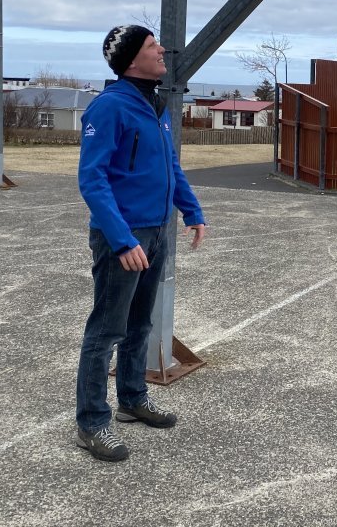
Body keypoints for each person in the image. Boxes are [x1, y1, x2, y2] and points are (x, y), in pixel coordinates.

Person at [74, 25, 207, 462]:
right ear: (132, 59)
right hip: (123, 238)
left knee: (141, 325)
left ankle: (132, 399)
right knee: (106, 330)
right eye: (153, 46)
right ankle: (92, 423)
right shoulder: (109, 108)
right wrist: (121, 239)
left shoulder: (157, 106)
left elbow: (171, 164)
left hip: (156, 230)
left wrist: (192, 211)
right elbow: (92, 180)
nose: (162, 50)